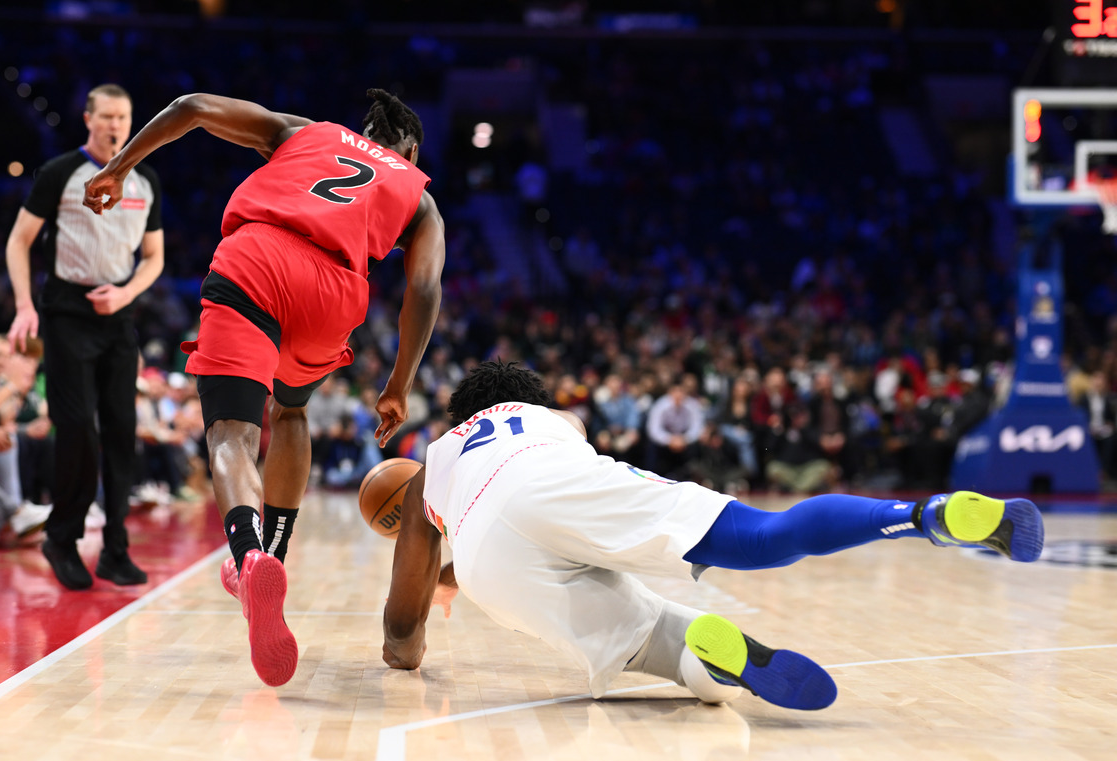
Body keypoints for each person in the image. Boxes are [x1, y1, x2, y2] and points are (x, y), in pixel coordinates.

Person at [383, 362, 1044, 711]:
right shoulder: (559, 418)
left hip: (489, 561)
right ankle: (922, 515)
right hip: (558, 480)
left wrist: (439, 589)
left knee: (652, 642)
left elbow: (402, 633)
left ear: (459, 416)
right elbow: (537, 500)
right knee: (765, 534)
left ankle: (697, 650)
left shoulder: (429, 467)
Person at [82, 89, 445, 687]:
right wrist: (398, 385)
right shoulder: (419, 197)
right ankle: (272, 555)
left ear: (364, 128)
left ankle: (247, 555)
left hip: (257, 258)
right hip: (332, 293)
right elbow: (424, 290)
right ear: (407, 148)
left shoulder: (308, 131)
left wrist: (117, 169)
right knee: (292, 412)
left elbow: (193, 107)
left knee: (231, 433)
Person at [5, 83, 165, 591]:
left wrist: (126, 295)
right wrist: (24, 304)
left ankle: (116, 550)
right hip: (67, 311)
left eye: (125, 116)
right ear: (88, 120)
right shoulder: (60, 173)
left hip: (117, 314)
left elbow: (155, 259)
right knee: (77, 429)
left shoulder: (146, 180)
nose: (117, 125)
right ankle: (62, 537)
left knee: (122, 432)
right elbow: (19, 241)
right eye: (108, 116)